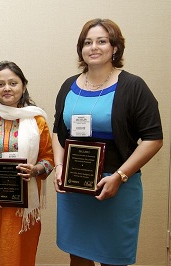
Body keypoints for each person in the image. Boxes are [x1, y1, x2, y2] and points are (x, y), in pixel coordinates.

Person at [53, 18, 163, 266]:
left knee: (113, 259)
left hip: (116, 187)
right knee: (77, 256)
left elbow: (154, 139)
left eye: (102, 41)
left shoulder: (134, 86)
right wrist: (59, 168)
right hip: (75, 187)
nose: (94, 47)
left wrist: (120, 176)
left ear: (115, 48)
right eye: (88, 42)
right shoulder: (68, 86)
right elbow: (58, 132)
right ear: (81, 49)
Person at [0, 61, 54, 266]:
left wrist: (35, 170)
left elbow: (48, 160)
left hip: (20, 209)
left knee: (15, 254)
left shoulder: (37, 120)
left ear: (23, 86)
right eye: (0, 84)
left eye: (13, 83)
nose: (7, 88)